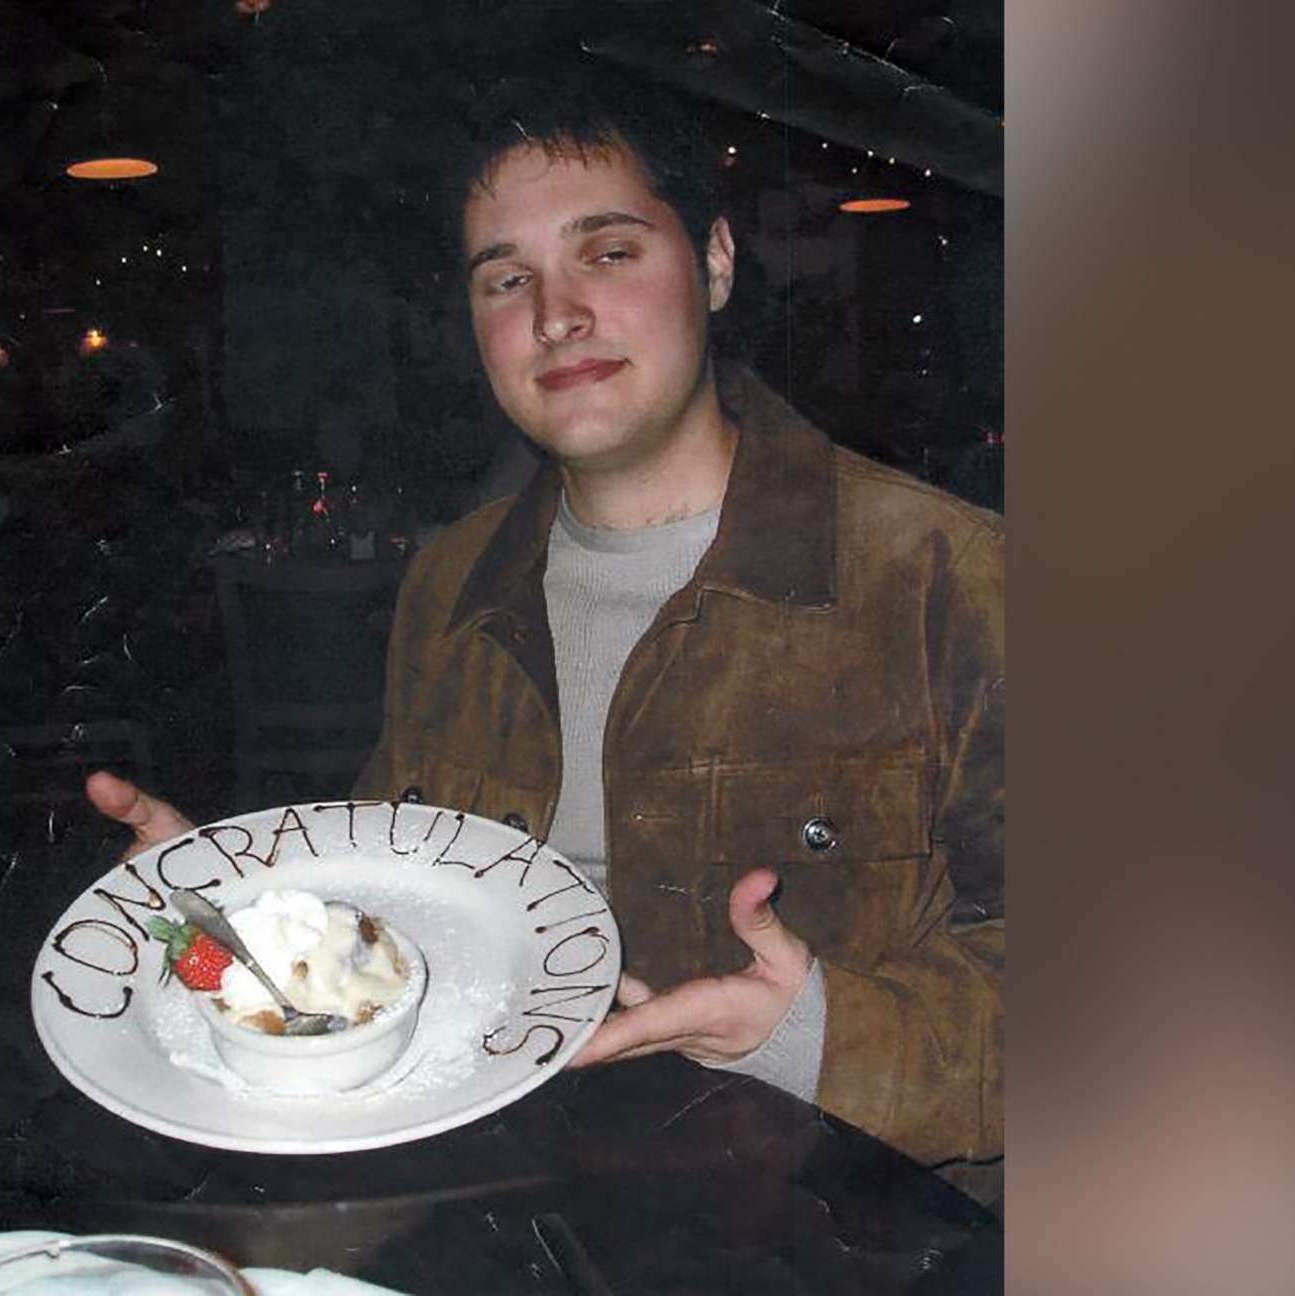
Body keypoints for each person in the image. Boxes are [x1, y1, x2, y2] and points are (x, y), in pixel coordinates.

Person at [86, 72, 1002, 1199]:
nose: (555, 314)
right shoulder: (448, 583)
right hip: (495, 1194)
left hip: (832, 1223)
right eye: (506, 279)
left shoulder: (953, 578)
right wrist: (228, 915)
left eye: (608, 253)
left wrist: (809, 1031)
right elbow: (405, 907)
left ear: (714, 263)